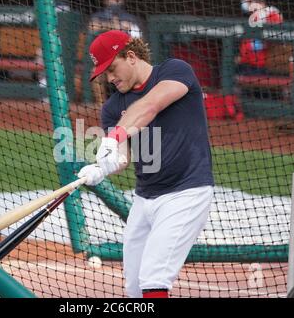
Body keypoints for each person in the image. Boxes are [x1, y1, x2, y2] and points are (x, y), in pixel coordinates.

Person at [77, 30, 214, 298]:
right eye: (105, 73)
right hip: (144, 198)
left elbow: (150, 105)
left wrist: (115, 134)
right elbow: (122, 158)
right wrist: (101, 167)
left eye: (112, 69)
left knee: (154, 277)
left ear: (131, 57)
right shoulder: (112, 107)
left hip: (186, 193)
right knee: (134, 288)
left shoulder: (174, 71)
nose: (110, 78)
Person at [85, 0, 145, 105]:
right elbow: (92, 26)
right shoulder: (98, 16)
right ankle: (102, 106)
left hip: (125, 56)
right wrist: (114, 26)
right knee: (95, 74)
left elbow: (138, 37)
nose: (115, 0)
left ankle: (134, 103)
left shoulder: (130, 18)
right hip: (107, 58)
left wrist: (118, 26)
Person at [236, 0, 284, 75]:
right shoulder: (251, 16)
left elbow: (277, 38)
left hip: (262, 65)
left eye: (250, 2)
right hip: (245, 63)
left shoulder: (271, 12)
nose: (246, 4)